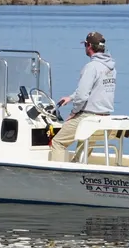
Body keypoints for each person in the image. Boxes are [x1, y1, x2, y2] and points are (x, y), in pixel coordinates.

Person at [50, 31, 116, 162]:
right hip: (104, 116)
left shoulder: (91, 67)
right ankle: (78, 173)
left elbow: (82, 96)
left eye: (85, 45)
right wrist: (71, 97)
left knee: (57, 142)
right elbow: (94, 89)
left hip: (88, 117)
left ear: (89, 45)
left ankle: (56, 178)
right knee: (85, 145)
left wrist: (74, 112)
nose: (85, 47)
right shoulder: (111, 67)